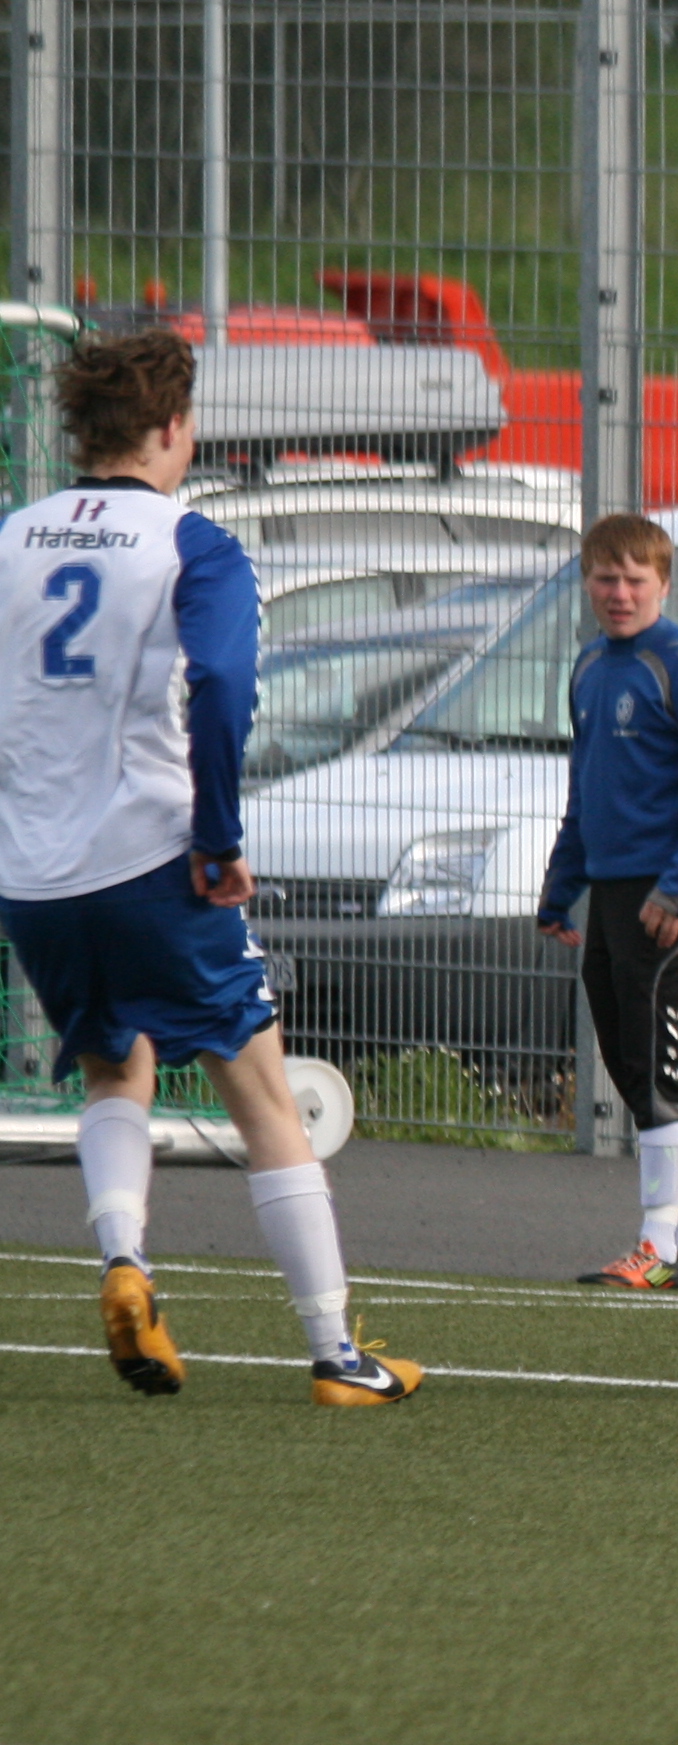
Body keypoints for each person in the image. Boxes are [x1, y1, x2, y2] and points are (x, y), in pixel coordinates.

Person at [0, 328, 420, 1406]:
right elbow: (224, 685)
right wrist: (219, 839)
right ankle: (335, 1355)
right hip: (150, 855)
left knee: (114, 1068)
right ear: (175, 427)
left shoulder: (13, 537)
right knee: (263, 1093)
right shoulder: (192, 541)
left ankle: (125, 1261)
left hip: (35, 871)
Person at [539, 511, 678, 1291]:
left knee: (667, 1062)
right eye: (606, 578)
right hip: (614, 891)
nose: (619, 593)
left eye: (635, 580)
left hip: (677, 893)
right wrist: (562, 886)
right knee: (632, 1060)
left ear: (663, 584)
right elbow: (586, 786)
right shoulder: (591, 666)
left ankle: (656, 1246)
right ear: (587, 583)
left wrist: (677, 886)